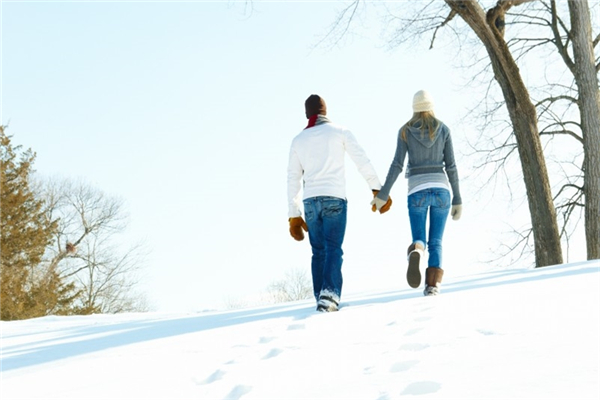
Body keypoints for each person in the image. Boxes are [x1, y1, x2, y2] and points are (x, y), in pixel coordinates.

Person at [287, 94, 391, 312]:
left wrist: (294, 214)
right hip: (334, 197)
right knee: (333, 248)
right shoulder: (340, 132)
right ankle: (330, 295)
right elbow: (361, 160)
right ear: (325, 111)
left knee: (318, 251)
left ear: (307, 114)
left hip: (310, 202)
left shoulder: (298, 141)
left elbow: (293, 179)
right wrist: (377, 188)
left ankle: (321, 296)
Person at [371, 90, 462, 296]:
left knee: (420, 239)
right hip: (441, 189)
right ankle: (432, 286)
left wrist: (383, 194)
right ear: (431, 107)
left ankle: (417, 251)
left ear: (414, 109)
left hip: (417, 190)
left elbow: (397, 165)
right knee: (436, 241)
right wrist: (457, 197)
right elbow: (452, 166)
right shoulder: (444, 129)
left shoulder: (405, 131)